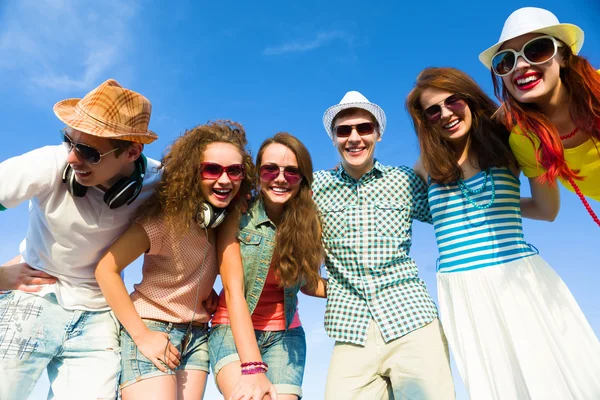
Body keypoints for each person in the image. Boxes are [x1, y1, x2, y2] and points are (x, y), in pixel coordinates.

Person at [406, 66, 600, 399]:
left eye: (453, 101)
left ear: (468, 98)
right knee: (497, 386)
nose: (445, 114)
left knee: (553, 374)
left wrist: (502, 207)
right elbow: (407, 212)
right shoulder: (425, 166)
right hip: (461, 289)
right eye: (432, 110)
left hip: (517, 278)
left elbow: (547, 210)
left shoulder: (508, 137)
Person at [0, 79, 160, 400]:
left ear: (132, 151)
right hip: (34, 298)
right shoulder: (47, 163)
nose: (72, 158)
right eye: (68, 142)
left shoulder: (160, 184)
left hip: (99, 319)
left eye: (89, 151)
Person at [95, 120, 254, 400]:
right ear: (193, 173)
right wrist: (143, 336)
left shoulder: (223, 224)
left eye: (234, 171)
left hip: (197, 336)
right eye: (212, 169)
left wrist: (208, 293)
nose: (225, 179)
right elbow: (106, 269)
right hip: (153, 327)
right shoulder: (161, 222)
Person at [313, 91, 455, 399]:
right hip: (350, 330)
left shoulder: (404, 180)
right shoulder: (316, 187)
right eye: (344, 130)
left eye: (364, 128)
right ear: (334, 138)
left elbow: (449, 213)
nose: (354, 137)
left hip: (412, 321)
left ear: (377, 134)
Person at [209, 132, 326, 400]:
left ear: (303, 178)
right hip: (232, 330)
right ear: (258, 174)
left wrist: (354, 289)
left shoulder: (310, 223)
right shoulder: (238, 214)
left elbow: (308, 284)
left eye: (292, 172)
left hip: (286, 335)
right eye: (270, 169)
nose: (281, 178)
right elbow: (233, 290)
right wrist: (252, 367)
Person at [480, 7, 600, 226]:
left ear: (564, 57)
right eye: (506, 61)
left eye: (537, 50)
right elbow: (546, 210)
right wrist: (479, 202)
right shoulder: (526, 139)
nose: (521, 65)